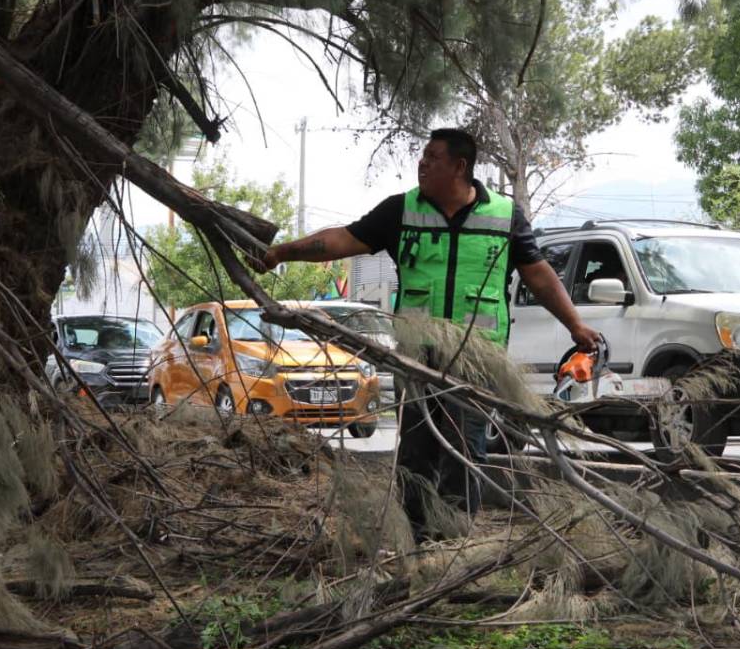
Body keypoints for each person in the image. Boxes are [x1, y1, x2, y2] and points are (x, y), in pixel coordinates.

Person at [255, 128, 600, 536]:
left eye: (432, 157)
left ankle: (452, 543)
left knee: (465, 454)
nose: (422, 163)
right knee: (416, 454)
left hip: (477, 363)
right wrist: (281, 253)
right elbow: (343, 239)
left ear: (460, 167)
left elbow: (539, 276)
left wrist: (576, 325)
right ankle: (415, 540)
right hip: (415, 359)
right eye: (422, 155)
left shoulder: (505, 217)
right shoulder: (401, 211)